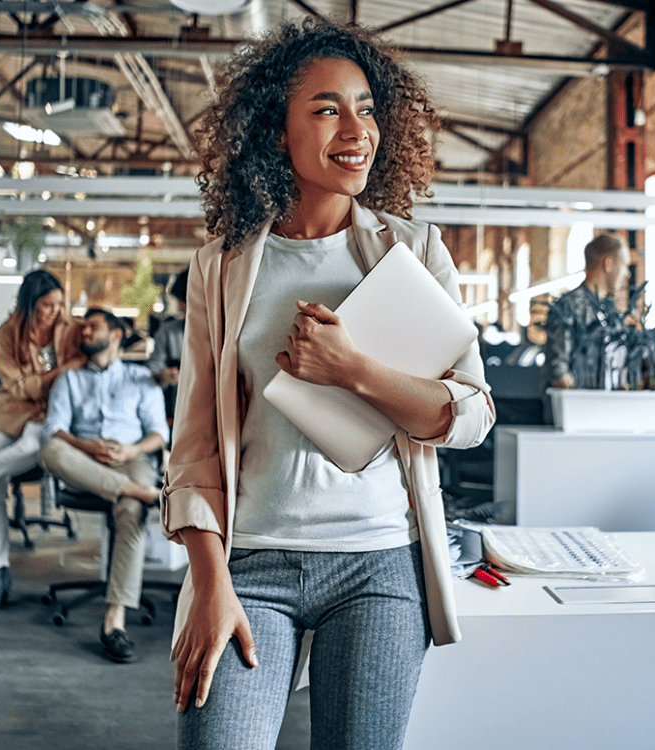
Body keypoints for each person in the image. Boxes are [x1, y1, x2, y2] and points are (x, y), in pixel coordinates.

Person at [161, 19, 495, 750]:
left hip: (379, 564)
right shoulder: (222, 267)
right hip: (251, 562)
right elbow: (193, 453)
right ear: (275, 130)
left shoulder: (412, 250)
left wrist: (354, 371)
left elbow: (470, 415)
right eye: (326, 108)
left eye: (368, 107)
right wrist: (210, 584)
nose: (357, 129)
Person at [39, 308, 169, 662]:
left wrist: (132, 448)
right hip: (84, 464)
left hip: (133, 460)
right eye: (81, 328)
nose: (83, 333)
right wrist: (87, 446)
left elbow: (160, 433)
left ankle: (115, 619)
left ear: (114, 334)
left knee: (131, 512)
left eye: (91, 327)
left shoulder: (140, 377)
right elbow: (55, 429)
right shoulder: (70, 380)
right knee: (49, 448)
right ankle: (144, 494)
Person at [0, 270, 84, 611]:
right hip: (13, 410)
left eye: (60, 304)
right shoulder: (5, 335)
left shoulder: (71, 328)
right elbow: (18, 388)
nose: (56, 311)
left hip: (53, 415)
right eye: (48, 305)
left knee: (32, 447)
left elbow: (87, 362)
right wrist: (62, 370)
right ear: (30, 304)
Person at [539, 233, 631, 423]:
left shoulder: (609, 314)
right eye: (625, 266)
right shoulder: (569, 307)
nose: (627, 274)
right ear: (609, 264)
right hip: (574, 421)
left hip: (603, 418)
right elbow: (558, 372)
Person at [146, 268, 188, 425]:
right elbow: (152, 369)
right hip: (177, 414)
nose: (180, 306)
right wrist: (163, 376)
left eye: (183, 301)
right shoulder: (168, 332)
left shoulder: (223, 333)